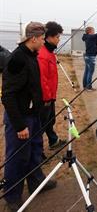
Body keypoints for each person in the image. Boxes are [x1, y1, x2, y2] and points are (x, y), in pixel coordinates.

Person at [1, 22, 57, 212]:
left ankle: (36, 182)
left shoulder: (32, 55)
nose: (43, 42)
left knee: (35, 151)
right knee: (17, 157)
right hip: (20, 120)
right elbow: (7, 95)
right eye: (42, 39)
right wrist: (19, 126)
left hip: (34, 116)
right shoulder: (17, 59)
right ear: (33, 38)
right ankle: (12, 196)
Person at [38, 21, 66, 155]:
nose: (59, 39)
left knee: (50, 120)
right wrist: (47, 98)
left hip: (51, 95)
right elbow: (42, 80)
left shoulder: (50, 52)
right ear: (48, 37)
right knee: (40, 125)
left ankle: (53, 141)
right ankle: (37, 152)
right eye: (57, 37)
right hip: (45, 97)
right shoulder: (42, 55)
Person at [82, 26, 97, 91]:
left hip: (87, 56)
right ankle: (89, 87)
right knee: (90, 72)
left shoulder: (88, 37)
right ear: (90, 31)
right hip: (90, 56)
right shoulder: (90, 37)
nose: (94, 32)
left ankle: (85, 86)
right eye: (93, 30)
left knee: (87, 71)